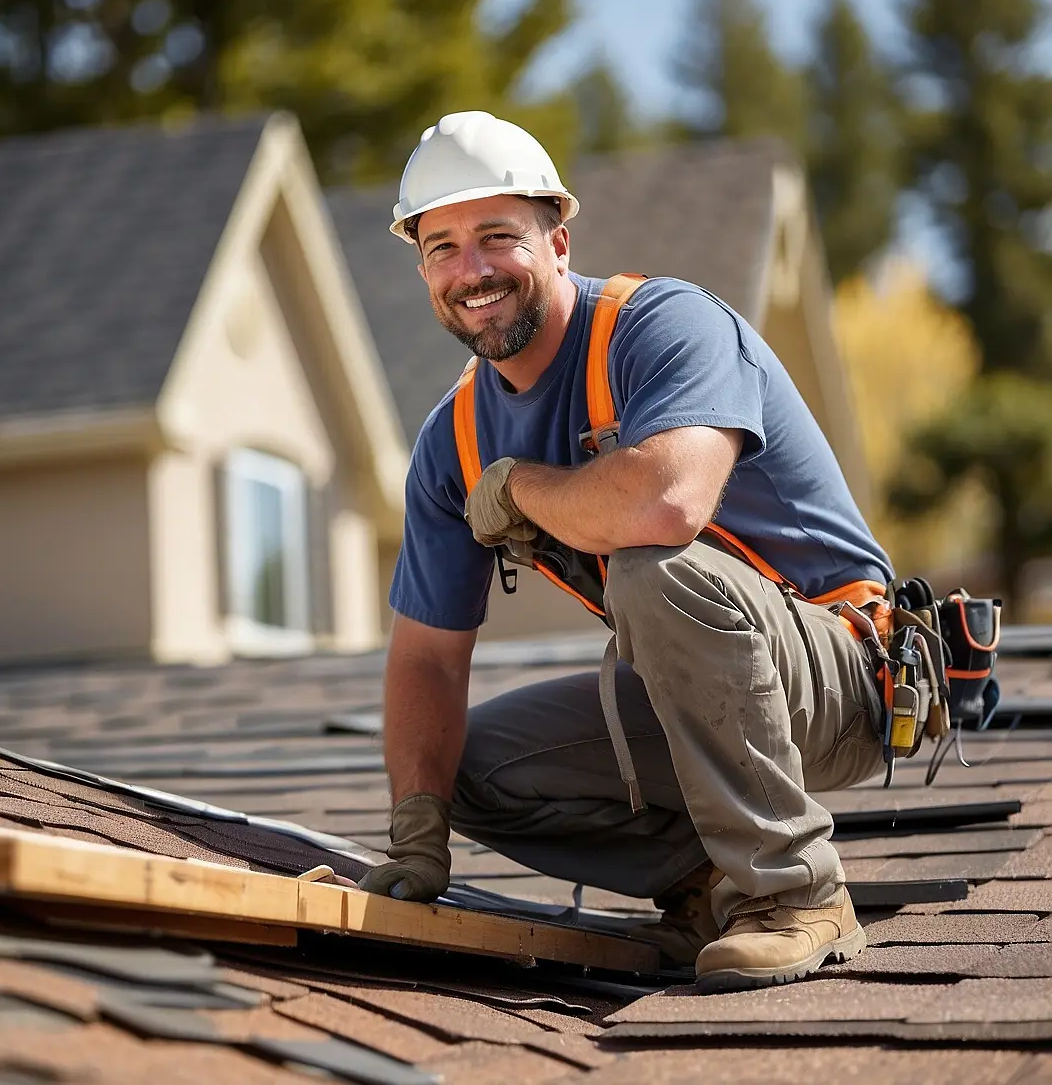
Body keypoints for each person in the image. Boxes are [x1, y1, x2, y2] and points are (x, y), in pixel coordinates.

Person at [358, 110, 894, 992]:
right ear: (422, 269)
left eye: (499, 237)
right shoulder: (450, 441)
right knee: (473, 769)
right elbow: (425, 659)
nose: (473, 270)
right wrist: (418, 831)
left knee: (656, 566)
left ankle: (795, 895)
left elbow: (668, 502)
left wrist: (523, 487)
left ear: (559, 244)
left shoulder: (664, 327)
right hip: (705, 694)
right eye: (443, 247)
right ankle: (710, 888)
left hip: (841, 676)